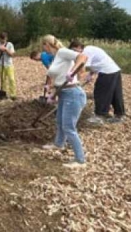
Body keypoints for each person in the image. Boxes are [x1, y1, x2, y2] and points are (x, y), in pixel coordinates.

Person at [41, 34, 88, 169]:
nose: (44, 50)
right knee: (60, 122)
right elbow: (58, 77)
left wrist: (73, 71)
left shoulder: (62, 52)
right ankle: (58, 144)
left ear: (47, 44)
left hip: (73, 93)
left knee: (69, 127)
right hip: (63, 93)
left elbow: (83, 57)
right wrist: (52, 92)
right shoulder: (57, 57)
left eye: (44, 46)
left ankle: (80, 160)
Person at [69, 40, 125, 125]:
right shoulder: (90, 49)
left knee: (100, 93)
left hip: (107, 72)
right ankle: (119, 115)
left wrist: (75, 80)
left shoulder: (86, 52)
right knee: (115, 94)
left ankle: (99, 116)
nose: (74, 52)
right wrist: (90, 74)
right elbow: (96, 63)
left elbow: (82, 68)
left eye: (74, 50)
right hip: (115, 71)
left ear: (79, 47)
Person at [0, 32, 17, 99]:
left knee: (11, 79)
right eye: (1, 39)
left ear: (6, 38)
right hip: (0, 64)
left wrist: (6, 50)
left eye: (4, 39)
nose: (3, 40)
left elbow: (12, 54)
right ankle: (4, 94)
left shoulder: (10, 45)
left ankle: (13, 94)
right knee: (2, 80)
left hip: (9, 64)